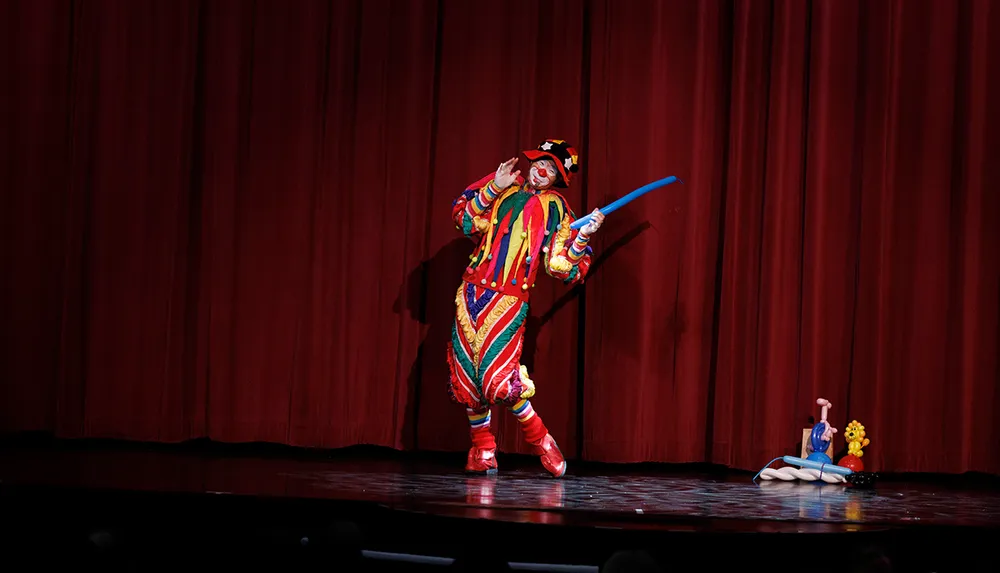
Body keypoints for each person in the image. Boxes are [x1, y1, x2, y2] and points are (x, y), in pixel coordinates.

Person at [447, 139, 604, 478]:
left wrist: (582, 238)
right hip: (471, 290)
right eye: (539, 162)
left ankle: (541, 440)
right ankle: (483, 448)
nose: (541, 170)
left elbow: (560, 266)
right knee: (468, 379)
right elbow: (464, 221)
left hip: (509, 298)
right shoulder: (504, 185)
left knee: (497, 380)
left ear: (557, 178)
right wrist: (493, 188)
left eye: (551, 168)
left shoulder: (558, 209)